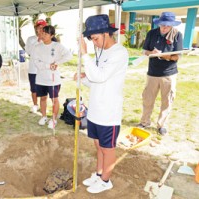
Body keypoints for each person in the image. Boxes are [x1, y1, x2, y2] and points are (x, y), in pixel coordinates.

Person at [77, 14, 128, 193]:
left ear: (106, 33)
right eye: (91, 39)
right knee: (98, 145)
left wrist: (84, 55)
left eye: (95, 38)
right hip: (96, 109)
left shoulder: (119, 53)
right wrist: (84, 78)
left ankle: (106, 181)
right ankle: (99, 175)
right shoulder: (102, 52)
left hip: (109, 112)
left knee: (108, 148)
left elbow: (100, 75)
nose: (94, 43)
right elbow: (97, 80)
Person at [137, 12, 183, 136]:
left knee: (167, 101)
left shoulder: (177, 35)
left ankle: (162, 125)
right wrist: (152, 52)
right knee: (148, 98)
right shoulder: (151, 33)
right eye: (162, 25)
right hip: (152, 73)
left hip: (168, 74)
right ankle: (145, 122)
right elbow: (144, 51)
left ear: (172, 25)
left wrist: (164, 56)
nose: (164, 27)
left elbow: (177, 57)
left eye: (168, 25)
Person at [32, 25, 72, 129]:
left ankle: (53, 119)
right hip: (41, 78)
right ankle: (44, 116)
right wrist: (48, 65)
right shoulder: (37, 47)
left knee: (54, 99)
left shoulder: (57, 46)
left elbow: (69, 55)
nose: (43, 35)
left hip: (54, 78)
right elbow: (36, 61)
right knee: (43, 98)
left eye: (46, 34)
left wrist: (57, 62)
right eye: (42, 33)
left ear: (52, 35)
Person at [25, 19, 47, 113]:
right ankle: (35, 105)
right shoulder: (31, 39)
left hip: (44, 69)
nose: (41, 30)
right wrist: (37, 41)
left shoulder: (47, 39)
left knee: (43, 88)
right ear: (36, 29)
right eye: (39, 28)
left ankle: (43, 105)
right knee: (33, 88)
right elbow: (28, 51)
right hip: (33, 69)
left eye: (43, 28)